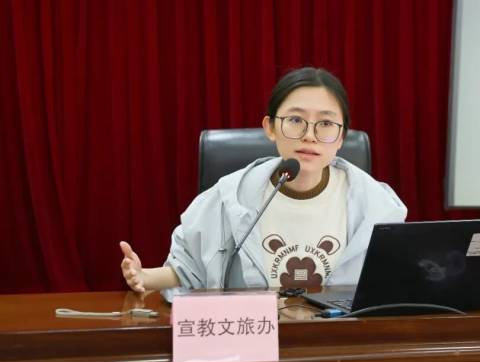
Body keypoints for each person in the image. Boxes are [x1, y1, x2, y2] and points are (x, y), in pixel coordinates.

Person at [120, 67, 407, 301]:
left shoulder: (375, 204)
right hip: (252, 337)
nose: (309, 135)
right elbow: (189, 269)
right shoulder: (230, 196)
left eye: (326, 124)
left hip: (337, 339)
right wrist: (145, 276)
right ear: (270, 128)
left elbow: (393, 281)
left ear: (342, 137)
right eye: (295, 120)